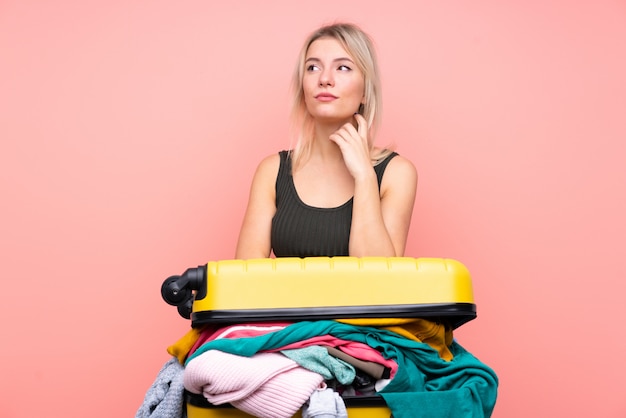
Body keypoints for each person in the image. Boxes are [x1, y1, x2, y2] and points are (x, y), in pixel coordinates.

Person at [235, 22, 417, 259]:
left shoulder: (397, 173)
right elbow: (244, 280)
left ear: (365, 91)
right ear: (303, 88)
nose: (325, 79)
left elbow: (381, 279)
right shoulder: (272, 171)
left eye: (342, 68)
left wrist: (364, 176)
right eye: (312, 68)